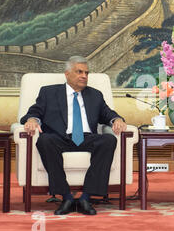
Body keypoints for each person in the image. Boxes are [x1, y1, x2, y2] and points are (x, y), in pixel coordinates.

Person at [21, 56, 127, 216]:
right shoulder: (49, 92)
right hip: (59, 137)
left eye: (86, 72)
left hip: (86, 137)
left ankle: (86, 197)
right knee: (44, 140)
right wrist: (31, 120)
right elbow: (35, 111)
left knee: (109, 140)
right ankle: (66, 197)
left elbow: (107, 113)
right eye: (79, 72)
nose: (84, 76)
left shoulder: (95, 95)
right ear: (67, 73)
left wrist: (117, 119)